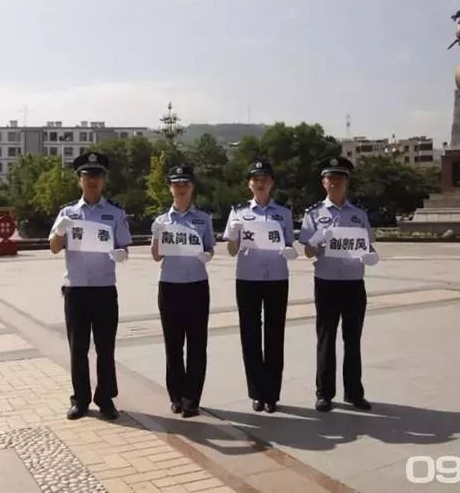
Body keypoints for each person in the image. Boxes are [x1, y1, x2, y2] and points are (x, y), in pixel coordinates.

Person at [49, 151, 132, 421]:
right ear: (79, 180)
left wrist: (122, 254)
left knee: (106, 348)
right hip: (76, 289)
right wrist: (60, 231)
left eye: (97, 176)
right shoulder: (68, 212)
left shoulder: (115, 212)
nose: (92, 181)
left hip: (105, 289)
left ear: (103, 180)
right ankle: (80, 399)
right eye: (87, 176)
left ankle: (105, 398)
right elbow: (53, 248)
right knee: (78, 348)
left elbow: (123, 246)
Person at [298, 157, 378, 413]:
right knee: (326, 339)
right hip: (327, 283)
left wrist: (370, 256)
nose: (335, 182)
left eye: (340, 178)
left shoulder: (359, 214)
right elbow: (308, 253)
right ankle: (324, 394)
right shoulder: (313, 214)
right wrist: (316, 239)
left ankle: (354, 392)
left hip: (354, 284)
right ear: (324, 183)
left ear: (346, 183)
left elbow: (369, 247)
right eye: (331, 178)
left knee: (353, 340)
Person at [223, 160, 297, 413]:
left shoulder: (284, 213)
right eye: (255, 178)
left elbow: (289, 244)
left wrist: (289, 251)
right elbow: (231, 251)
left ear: (272, 182)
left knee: (275, 336)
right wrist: (233, 235)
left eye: (264, 178)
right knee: (250, 336)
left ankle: (272, 394)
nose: (260, 182)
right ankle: (256, 392)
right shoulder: (238, 212)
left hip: (277, 278)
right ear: (249, 184)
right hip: (247, 278)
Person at [150, 165, 216, 418]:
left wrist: (206, 255)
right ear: (170, 188)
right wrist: (156, 237)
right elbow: (156, 256)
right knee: (173, 344)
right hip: (170, 286)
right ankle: (176, 395)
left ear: (192, 188)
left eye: (185, 184)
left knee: (197, 344)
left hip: (197, 285)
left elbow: (210, 247)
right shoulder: (161, 221)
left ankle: (192, 398)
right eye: (176, 184)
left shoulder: (203, 219)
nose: (180, 189)